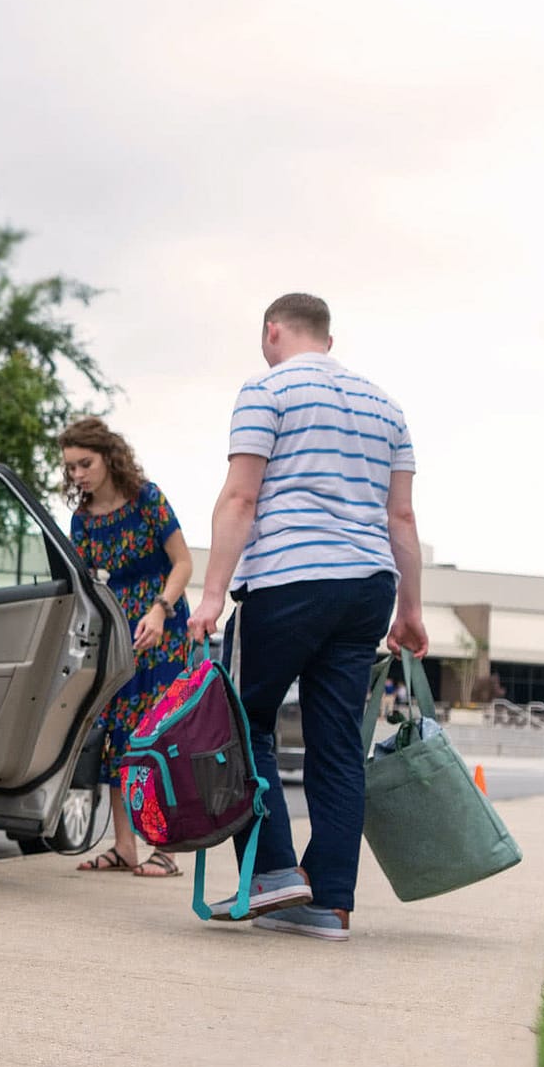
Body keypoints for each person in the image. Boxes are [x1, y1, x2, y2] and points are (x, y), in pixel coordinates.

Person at [187, 293, 428, 940]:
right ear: (326, 335)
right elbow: (400, 517)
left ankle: (271, 876)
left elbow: (241, 495)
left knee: (240, 724)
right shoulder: (387, 405)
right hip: (368, 585)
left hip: (291, 579)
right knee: (336, 744)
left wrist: (212, 595)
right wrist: (412, 610)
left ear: (273, 331)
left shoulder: (267, 390)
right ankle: (328, 902)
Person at [60, 418, 195, 878]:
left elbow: (183, 562)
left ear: (108, 456)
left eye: (85, 463)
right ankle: (124, 847)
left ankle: (167, 848)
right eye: (71, 467)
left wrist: (159, 609)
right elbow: (83, 585)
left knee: (160, 738)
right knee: (119, 736)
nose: (77, 474)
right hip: (119, 635)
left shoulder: (147, 499)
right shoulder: (82, 520)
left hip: (164, 628)